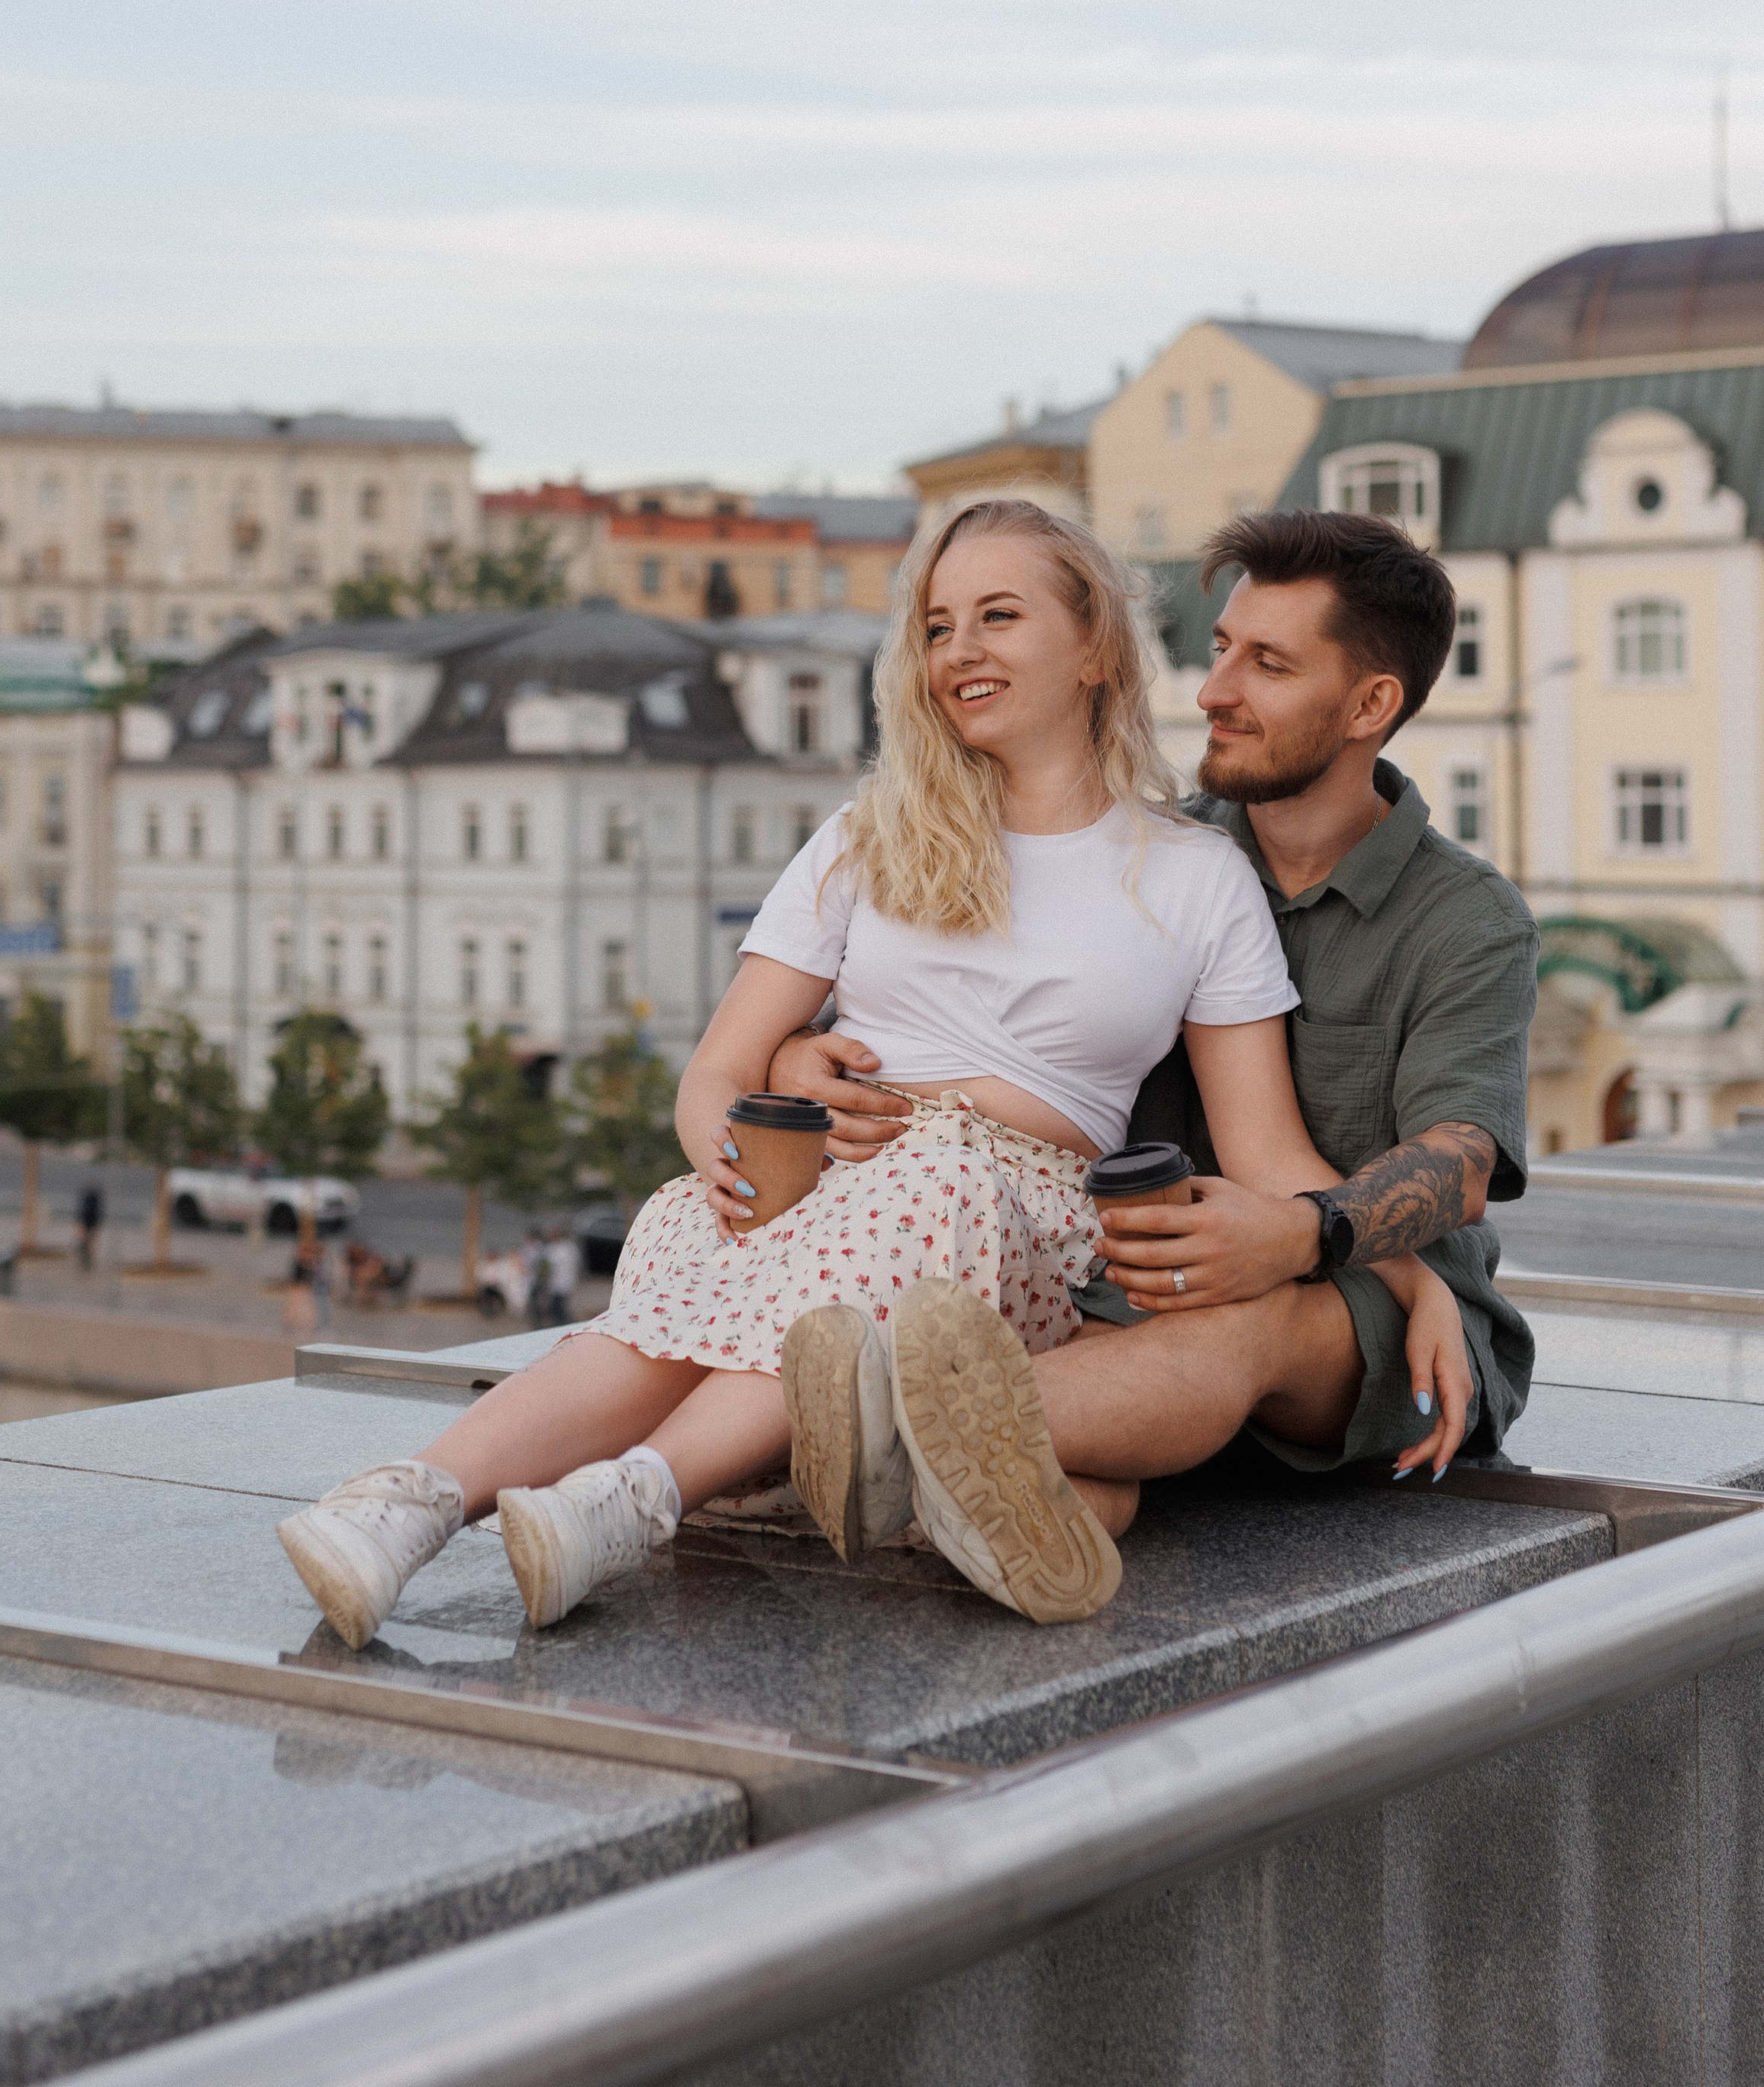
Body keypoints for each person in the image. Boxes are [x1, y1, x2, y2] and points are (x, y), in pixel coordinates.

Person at [276, 498, 1468, 1649]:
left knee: (908, 1203)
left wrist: (1411, 1278)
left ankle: (632, 1498)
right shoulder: (867, 835)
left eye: (999, 618)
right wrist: (741, 1172)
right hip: (836, 1182)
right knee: (673, 1283)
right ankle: (411, 1502)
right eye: (937, 626)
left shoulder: (1197, 874)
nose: (960, 650)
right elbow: (717, 1076)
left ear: (1097, 645)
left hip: (1010, 1222)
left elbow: (1268, 1157)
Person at [769, 507, 1537, 1608]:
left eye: (1267, 663)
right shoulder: (1151, 853)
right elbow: (964, 1008)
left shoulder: (1468, 919)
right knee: (1086, 1476)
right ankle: (954, 1508)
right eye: (1221, 647)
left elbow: (1461, 1160)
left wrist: (1308, 1237)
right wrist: (804, 1055)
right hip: (1129, 1290)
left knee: (1247, 1315)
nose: (1217, 688)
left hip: (1362, 1317)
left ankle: (861, 1428)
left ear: (1371, 705)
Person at [543, 1226, 582, 1327]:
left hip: (567, 1281)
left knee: (562, 1306)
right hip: (554, 1283)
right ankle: (562, 1325)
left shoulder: (569, 1247)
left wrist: (577, 1281)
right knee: (557, 1307)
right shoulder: (549, 1249)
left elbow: (576, 1264)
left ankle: (568, 1325)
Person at [74, 1180, 105, 1273]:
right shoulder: (92, 1197)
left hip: (89, 1220)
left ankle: (87, 1256)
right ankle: (87, 1256)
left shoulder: (89, 1197)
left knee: (89, 1240)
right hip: (89, 1220)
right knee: (89, 1240)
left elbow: (83, 1210)